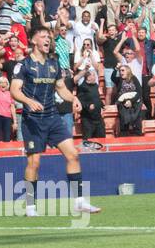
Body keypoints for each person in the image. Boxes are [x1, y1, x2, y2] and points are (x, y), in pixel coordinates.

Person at [10, 27, 102, 217]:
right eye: (42, 36)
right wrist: (28, 101)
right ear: (33, 41)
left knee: (73, 155)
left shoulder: (54, 63)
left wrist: (73, 98)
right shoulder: (23, 65)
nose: (47, 40)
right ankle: (30, 206)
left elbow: (60, 88)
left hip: (52, 117)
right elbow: (14, 90)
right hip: (32, 120)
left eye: (49, 38)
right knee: (34, 163)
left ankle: (79, 201)